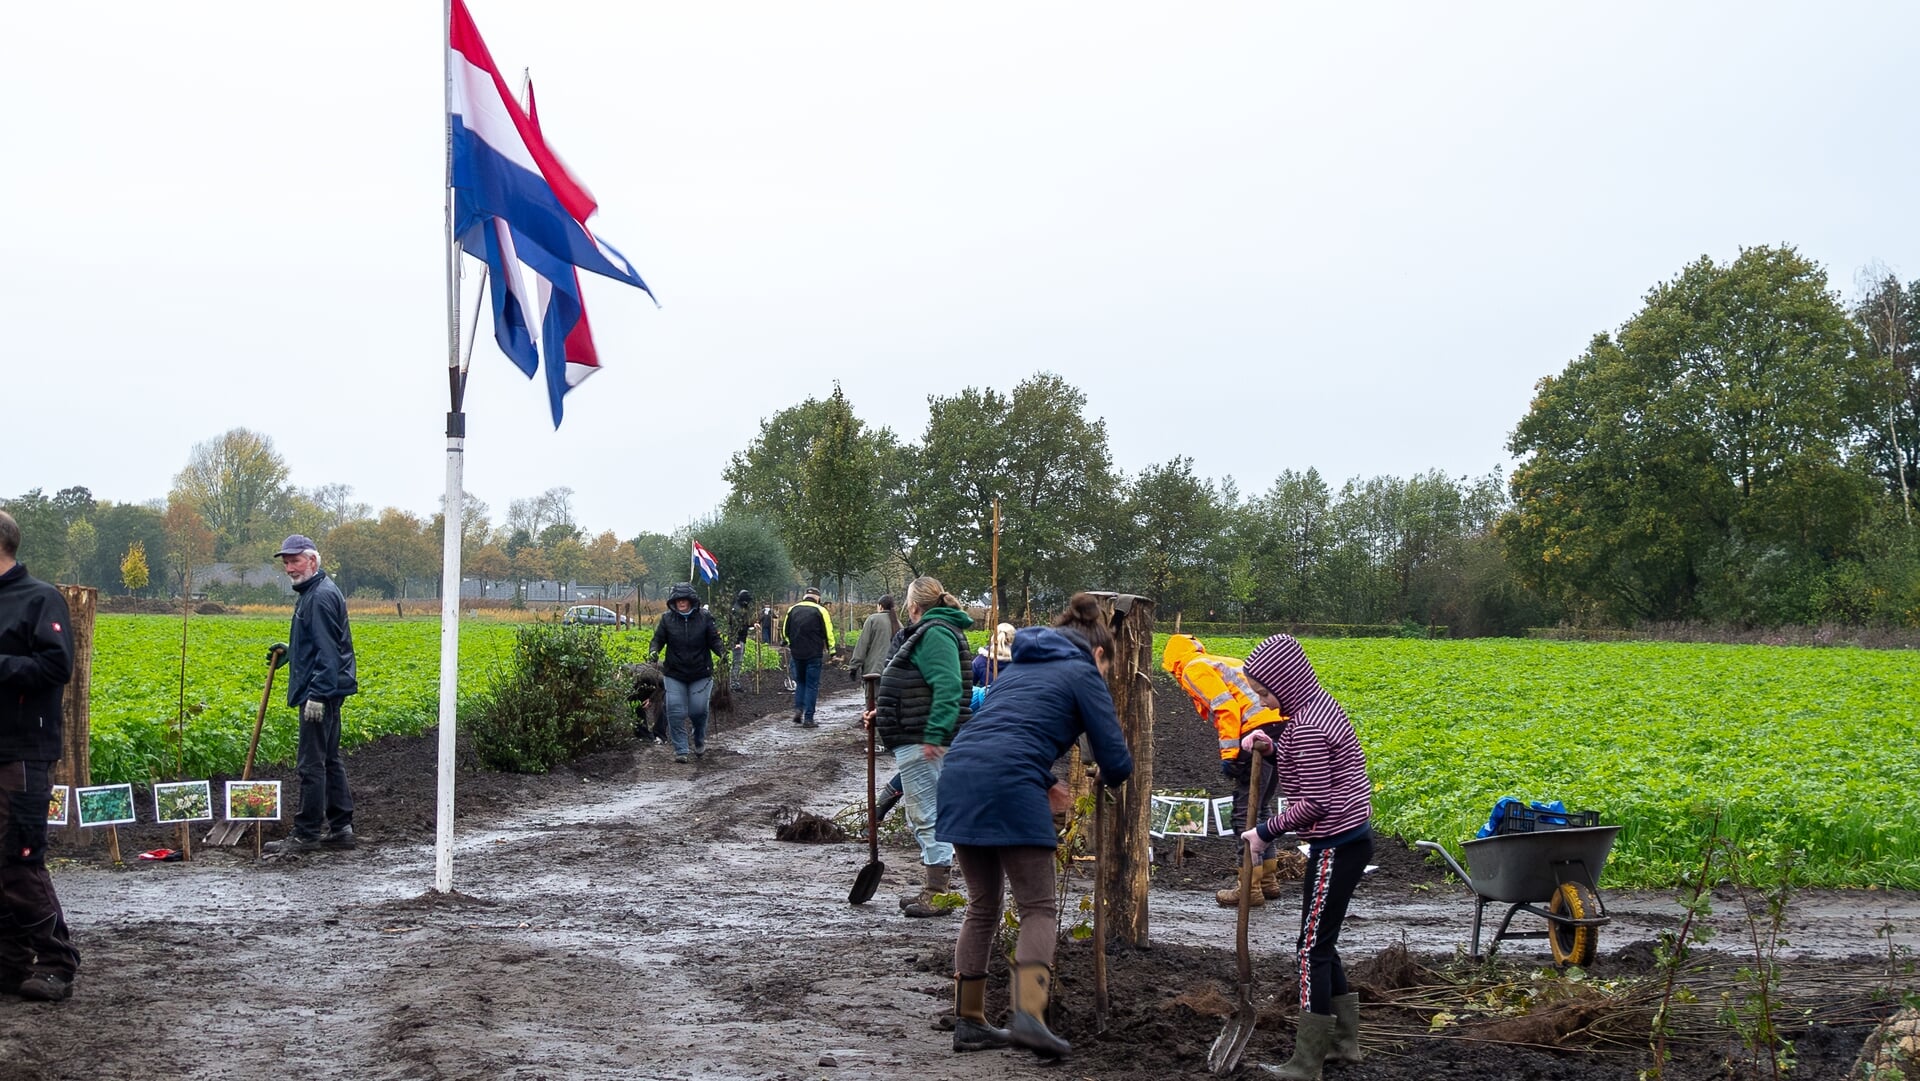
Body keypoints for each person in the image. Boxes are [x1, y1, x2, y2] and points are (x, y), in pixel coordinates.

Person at [936, 594, 1133, 1058]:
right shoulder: (1084, 670)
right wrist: (1107, 775)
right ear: (1099, 653)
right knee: (1040, 908)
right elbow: (1117, 759)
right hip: (1009, 783)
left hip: (961, 775)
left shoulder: (1019, 667)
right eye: (1107, 668)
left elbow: (1000, 728)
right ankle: (1028, 1015)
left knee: (983, 905)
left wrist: (1045, 779)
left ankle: (969, 1022)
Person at [1236, 634, 1373, 1080]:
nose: (1262, 699)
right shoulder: (1316, 709)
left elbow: (1313, 802)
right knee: (1323, 943)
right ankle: (1344, 1044)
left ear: (1284, 680)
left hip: (1337, 844)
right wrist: (1273, 747)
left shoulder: (1310, 726)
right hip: (1350, 840)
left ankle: (1306, 1061)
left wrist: (1263, 832)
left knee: (1310, 949)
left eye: (1262, 689)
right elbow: (1311, 765)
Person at [0, 511, 83, 1001]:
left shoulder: (40, 598)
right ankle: (9, 962)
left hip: (22, 753)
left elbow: (57, 665)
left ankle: (56, 961)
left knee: (18, 860)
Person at [863, 575, 971, 918]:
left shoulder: (935, 632)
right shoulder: (930, 631)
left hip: (924, 737)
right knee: (925, 813)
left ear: (913, 606)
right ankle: (935, 889)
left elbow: (949, 687)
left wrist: (935, 734)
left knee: (927, 815)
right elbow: (921, 686)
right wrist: (885, 711)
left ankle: (938, 893)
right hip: (916, 733)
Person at [1161, 632, 1284, 907]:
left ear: (1172, 663)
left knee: (1244, 811)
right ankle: (1267, 881)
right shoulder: (1219, 661)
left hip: (1257, 732)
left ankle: (1249, 887)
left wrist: (1230, 754)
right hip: (1278, 727)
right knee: (1262, 806)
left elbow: (1225, 706)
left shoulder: (1192, 669)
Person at [265, 535, 358, 855]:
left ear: (312, 562)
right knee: (330, 758)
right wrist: (294, 651)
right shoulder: (317, 591)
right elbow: (322, 643)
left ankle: (305, 834)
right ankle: (341, 827)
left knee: (311, 763)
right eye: (286, 562)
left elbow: (329, 653)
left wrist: (316, 694)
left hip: (321, 692)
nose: (290, 568)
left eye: (295, 561)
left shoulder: (318, 597)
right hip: (330, 687)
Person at [648, 583, 725, 763]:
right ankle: (681, 749)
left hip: (701, 673)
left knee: (698, 710)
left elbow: (714, 640)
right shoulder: (667, 619)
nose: (681, 602)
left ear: (691, 600)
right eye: (677, 599)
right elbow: (657, 640)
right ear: (673, 601)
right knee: (675, 711)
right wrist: (654, 651)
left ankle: (699, 737)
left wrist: (723, 653)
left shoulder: (704, 618)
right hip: (675, 673)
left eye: (684, 599)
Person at [781, 587, 835, 728]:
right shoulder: (821, 610)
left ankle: (799, 708)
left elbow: (785, 631)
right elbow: (828, 632)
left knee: (801, 682)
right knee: (812, 685)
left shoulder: (792, 609)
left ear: (805, 596)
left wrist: (788, 641)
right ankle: (809, 718)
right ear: (817, 598)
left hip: (797, 653)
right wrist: (832, 651)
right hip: (814, 654)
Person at [846, 594, 899, 682]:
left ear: (880, 606)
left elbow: (862, 644)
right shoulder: (898, 624)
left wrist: (854, 667)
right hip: (893, 673)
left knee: (874, 695)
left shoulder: (873, 620)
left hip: (873, 673)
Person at [968, 622, 1015, 709]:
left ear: (993, 637)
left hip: (985, 709)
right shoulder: (1020, 662)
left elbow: (967, 686)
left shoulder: (980, 660)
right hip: (1014, 708)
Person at [725, 590, 755, 692]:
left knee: (738, 662)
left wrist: (752, 625)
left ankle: (735, 683)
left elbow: (743, 623)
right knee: (737, 662)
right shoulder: (737, 610)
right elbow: (734, 627)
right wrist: (737, 642)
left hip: (740, 639)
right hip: (737, 640)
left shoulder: (740, 608)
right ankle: (734, 684)